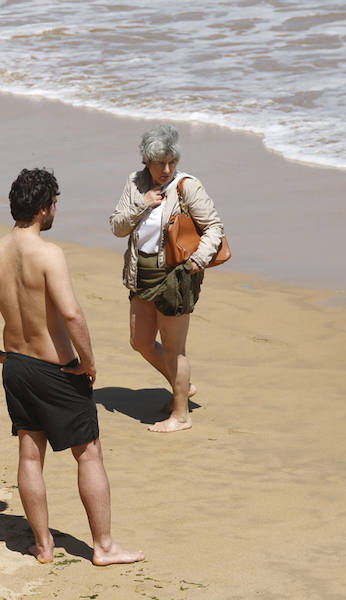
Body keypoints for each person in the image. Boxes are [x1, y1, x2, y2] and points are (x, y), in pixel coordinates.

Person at [0, 168, 144, 566]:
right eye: (55, 204)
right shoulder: (48, 254)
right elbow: (72, 314)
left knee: (30, 454)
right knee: (89, 453)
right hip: (56, 369)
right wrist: (89, 363)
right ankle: (104, 546)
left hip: (18, 366)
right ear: (44, 209)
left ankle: (43, 545)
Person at [109, 124, 225, 433]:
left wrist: (198, 261)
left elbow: (214, 226)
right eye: (160, 162)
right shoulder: (134, 183)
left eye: (171, 161)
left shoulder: (188, 186)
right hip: (140, 275)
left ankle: (181, 415)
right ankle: (182, 387)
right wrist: (141, 204)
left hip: (176, 275)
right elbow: (117, 226)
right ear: (147, 161)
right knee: (141, 341)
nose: (167, 168)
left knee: (175, 348)